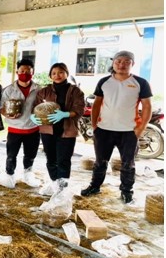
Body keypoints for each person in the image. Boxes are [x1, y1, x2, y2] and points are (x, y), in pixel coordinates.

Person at [81, 51, 152, 204]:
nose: (122, 64)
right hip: (104, 129)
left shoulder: (141, 82)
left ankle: (126, 192)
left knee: (128, 164)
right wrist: (95, 125)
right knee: (100, 161)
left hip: (129, 131)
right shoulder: (104, 82)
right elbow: (97, 104)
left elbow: (147, 106)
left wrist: (140, 129)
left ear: (132, 64)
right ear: (113, 63)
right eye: (118, 61)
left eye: (127, 61)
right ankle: (94, 186)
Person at [31, 62, 84, 194]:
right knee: (51, 160)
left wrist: (65, 114)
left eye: (61, 72)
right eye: (54, 73)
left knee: (64, 161)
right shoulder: (44, 91)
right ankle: (55, 184)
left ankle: (62, 190)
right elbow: (35, 107)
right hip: (48, 130)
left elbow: (79, 109)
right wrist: (34, 117)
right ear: (50, 76)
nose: (57, 75)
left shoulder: (75, 91)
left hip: (67, 130)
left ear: (66, 73)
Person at [0, 59, 41, 188]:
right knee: (11, 155)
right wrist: (7, 114)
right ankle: (9, 177)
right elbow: (1, 107)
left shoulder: (39, 89)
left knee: (30, 155)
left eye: (28, 71)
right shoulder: (8, 90)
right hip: (15, 129)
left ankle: (28, 176)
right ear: (17, 72)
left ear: (32, 72)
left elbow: (44, 106)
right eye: (22, 71)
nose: (25, 73)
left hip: (33, 128)